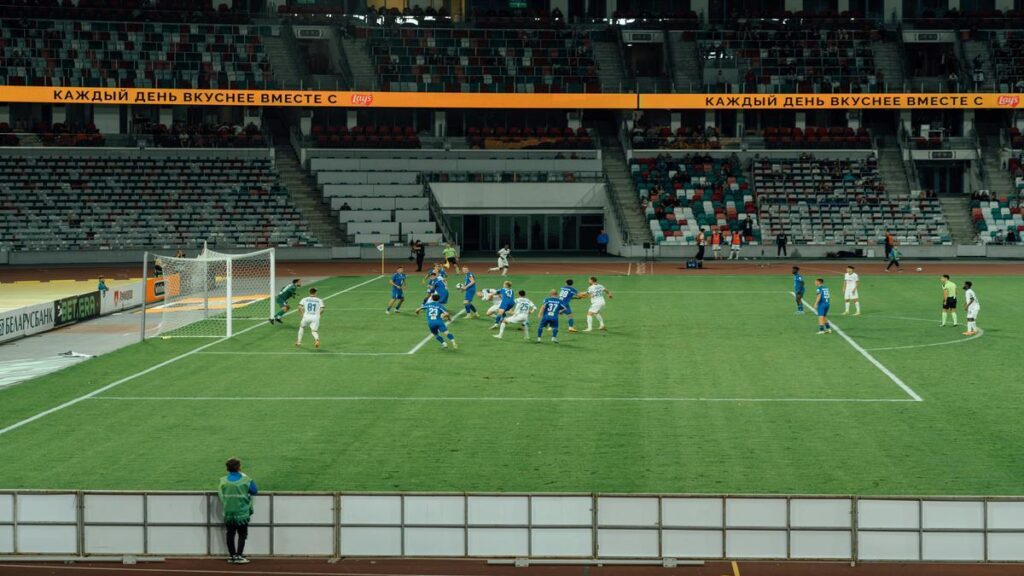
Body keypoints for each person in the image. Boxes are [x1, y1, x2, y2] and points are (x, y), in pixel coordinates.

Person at [218, 458, 257, 565]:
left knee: (230, 533)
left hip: (228, 512)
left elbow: (221, 495)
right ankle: (239, 556)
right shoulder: (245, 480)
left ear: (227, 468)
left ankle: (232, 555)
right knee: (242, 533)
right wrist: (246, 476)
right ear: (239, 467)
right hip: (242, 513)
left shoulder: (223, 480)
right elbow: (255, 491)